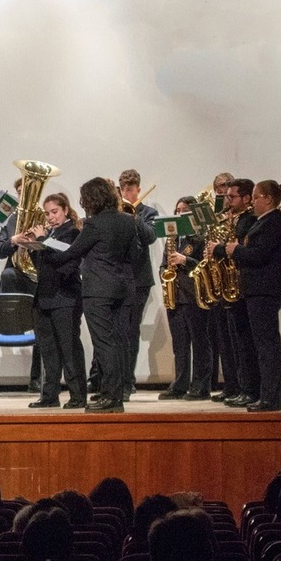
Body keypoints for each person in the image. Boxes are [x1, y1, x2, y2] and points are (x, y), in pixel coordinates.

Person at [51, 178, 140, 413]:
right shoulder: (128, 220)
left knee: (105, 343)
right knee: (120, 342)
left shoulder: (94, 224)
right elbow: (136, 255)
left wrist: (42, 245)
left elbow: (71, 253)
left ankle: (111, 398)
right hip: (124, 288)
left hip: (99, 290)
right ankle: (117, 394)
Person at [213, 179, 281, 412]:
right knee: (261, 344)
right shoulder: (265, 221)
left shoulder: (273, 221)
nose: (254, 203)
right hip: (258, 289)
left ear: (268, 199)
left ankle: (271, 398)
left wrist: (235, 249)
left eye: (256, 198)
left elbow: (259, 255)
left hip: (265, 288)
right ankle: (263, 394)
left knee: (267, 345)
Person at [16, 193, 85, 409]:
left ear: (65, 210)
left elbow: (65, 260)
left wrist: (43, 241)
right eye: (47, 213)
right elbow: (42, 267)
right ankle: (49, 395)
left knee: (69, 348)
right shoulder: (49, 235)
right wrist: (32, 245)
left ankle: (78, 395)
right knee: (48, 350)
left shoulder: (73, 233)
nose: (50, 217)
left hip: (65, 297)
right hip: (44, 297)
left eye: (54, 212)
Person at [209, 178, 259, 407]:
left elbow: (239, 249)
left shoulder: (249, 220)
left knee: (245, 343)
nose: (226, 201)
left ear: (246, 198)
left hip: (244, 286)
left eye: (231, 197)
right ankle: (239, 387)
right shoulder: (236, 218)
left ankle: (249, 389)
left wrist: (219, 248)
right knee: (235, 342)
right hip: (234, 287)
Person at [159, 196, 213, 400]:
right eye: (178, 209)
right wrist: (165, 274)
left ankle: (201, 385)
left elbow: (207, 263)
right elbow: (164, 263)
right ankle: (180, 383)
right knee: (179, 344)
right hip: (176, 295)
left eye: (185, 210)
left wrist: (186, 260)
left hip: (195, 294)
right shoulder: (172, 237)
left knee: (199, 342)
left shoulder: (201, 236)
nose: (180, 213)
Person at [0, 177, 42, 393]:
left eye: (29, 191)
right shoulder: (9, 220)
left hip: (37, 276)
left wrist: (37, 239)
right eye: (21, 192)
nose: (26, 196)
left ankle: (37, 379)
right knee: (7, 274)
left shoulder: (43, 217)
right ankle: (10, 322)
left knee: (42, 330)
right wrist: (14, 240)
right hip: (17, 273)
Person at [118, 169, 159, 402]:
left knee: (131, 331)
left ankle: (128, 381)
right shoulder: (115, 210)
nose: (127, 193)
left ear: (138, 190)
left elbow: (150, 237)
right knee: (118, 331)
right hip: (120, 278)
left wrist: (133, 215)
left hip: (139, 280)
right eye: (123, 189)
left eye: (131, 190)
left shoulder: (147, 212)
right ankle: (115, 379)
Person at [208, 172, 236, 396]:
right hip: (218, 281)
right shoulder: (213, 215)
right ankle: (228, 385)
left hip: (235, 282)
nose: (224, 191)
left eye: (228, 187)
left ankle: (238, 385)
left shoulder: (239, 217)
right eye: (220, 187)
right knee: (221, 339)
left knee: (236, 339)